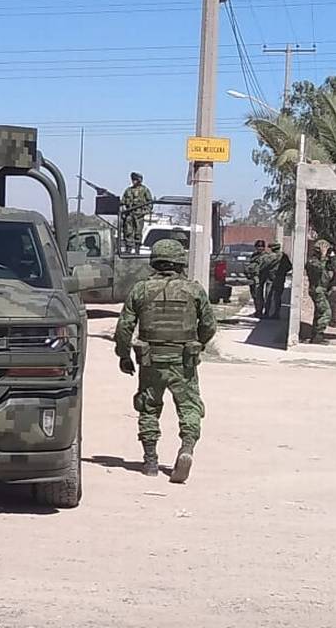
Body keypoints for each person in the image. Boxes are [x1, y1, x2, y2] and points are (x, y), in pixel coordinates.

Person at [114, 238, 216, 484]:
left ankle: (150, 461)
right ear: (180, 262)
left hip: (151, 361)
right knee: (189, 406)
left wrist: (124, 355)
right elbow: (209, 325)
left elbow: (124, 327)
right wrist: (197, 345)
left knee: (148, 407)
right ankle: (186, 449)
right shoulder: (194, 290)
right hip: (184, 360)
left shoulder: (141, 289)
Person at [305, 241, 333, 343]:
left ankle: (316, 336)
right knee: (326, 313)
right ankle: (318, 335)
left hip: (322, 290)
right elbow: (319, 270)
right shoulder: (312, 262)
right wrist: (323, 256)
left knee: (319, 313)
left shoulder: (324, 261)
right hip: (317, 290)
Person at [119, 172, 154, 254]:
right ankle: (128, 248)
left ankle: (137, 249)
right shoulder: (128, 190)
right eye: (133, 180)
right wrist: (123, 210)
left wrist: (145, 212)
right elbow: (122, 202)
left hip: (139, 215)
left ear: (139, 180)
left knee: (138, 232)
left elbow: (150, 203)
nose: (133, 181)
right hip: (129, 214)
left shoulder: (144, 190)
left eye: (135, 180)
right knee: (128, 231)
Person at [260, 241, 292, 319]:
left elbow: (263, 267)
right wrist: (282, 272)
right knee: (277, 297)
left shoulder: (269, 256)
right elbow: (289, 267)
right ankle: (276, 314)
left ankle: (266, 313)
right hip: (280, 279)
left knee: (268, 297)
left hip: (270, 279)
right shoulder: (284, 256)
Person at [245, 239, 268, 319]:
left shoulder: (265, 256)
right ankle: (257, 310)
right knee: (254, 294)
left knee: (258, 295)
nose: (260, 248)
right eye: (258, 246)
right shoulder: (254, 255)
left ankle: (259, 311)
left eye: (261, 246)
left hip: (259, 277)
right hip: (252, 277)